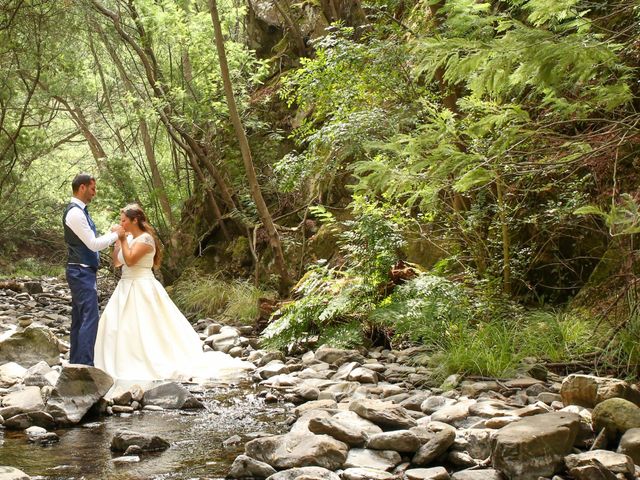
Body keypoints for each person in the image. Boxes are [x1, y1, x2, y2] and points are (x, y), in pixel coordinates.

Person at [94, 204, 253, 381]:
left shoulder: (146, 240)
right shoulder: (129, 238)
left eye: (123, 220)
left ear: (134, 220)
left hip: (142, 286)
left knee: (146, 327)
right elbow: (117, 263)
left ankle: (148, 360)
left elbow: (130, 261)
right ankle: (120, 359)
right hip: (125, 286)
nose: (120, 223)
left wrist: (122, 239)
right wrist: (118, 242)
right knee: (120, 326)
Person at [63, 173, 123, 366]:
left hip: (82, 271)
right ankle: (85, 364)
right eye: (92, 188)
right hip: (80, 271)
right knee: (90, 317)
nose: (94, 193)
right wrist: (116, 235)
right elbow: (93, 244)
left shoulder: (81, 211)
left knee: (80, 318)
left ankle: (77, 363)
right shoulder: (75, 213)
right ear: (82, 187)